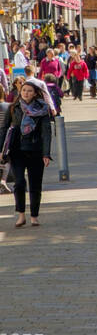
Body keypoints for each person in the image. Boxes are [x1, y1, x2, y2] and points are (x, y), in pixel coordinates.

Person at [0, 80, 52, 227]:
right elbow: (4, 129)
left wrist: (46, 153)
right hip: (17, 150)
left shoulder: (43, 109)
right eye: (24, 91)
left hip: (35, 150)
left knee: (35, 185)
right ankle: (21, 215)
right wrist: (1, 150)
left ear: (35, 93)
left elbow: (46, 132)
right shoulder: (13, 107)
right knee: (19, 183)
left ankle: (34, 216)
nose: (26, 93)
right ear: (20, 92)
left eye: (29, 91)